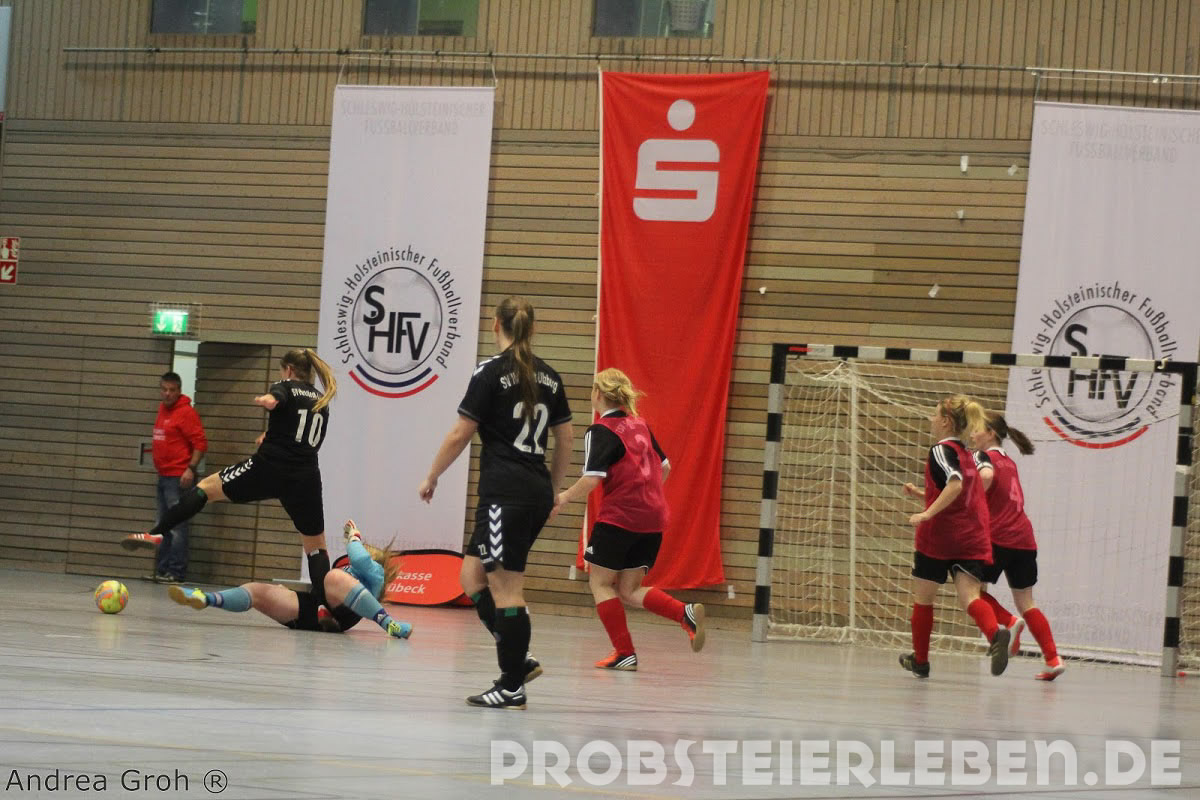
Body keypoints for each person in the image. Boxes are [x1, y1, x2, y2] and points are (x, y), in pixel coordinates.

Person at [418, 297, 573, 710]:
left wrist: (432, 475)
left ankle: (511, 685)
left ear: (495, 325)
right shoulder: (551, 376)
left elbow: (460, 433)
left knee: (506, 588)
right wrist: (553, 488)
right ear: (532, 328)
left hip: (505, 493)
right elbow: (566, 439)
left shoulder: (489, 372)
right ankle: (520, 659)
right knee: (471, 578)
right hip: (532, 490)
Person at [123, 349, 338, 600]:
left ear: (288, 370)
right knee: (315, 547)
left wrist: (268, 399)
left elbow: (278, 398)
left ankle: (157, 532)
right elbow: (299, 432)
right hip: (305, 478)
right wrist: (269, 435)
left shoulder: (285, 385)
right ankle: (325, 605)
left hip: (268, 469)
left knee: (205, 489)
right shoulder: (321, 399)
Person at [554, 368, 705, 671]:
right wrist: (646, 496)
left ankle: (624, 653)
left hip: (620, 518)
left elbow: (592, 478)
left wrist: (563, 497)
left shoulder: (600, 430)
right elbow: (665, 467)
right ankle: (684, 613)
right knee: (629, 590)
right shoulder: (640, 424)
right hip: (654, 518)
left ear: (597, 394)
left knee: (600, 583)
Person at [899, 395, 1010, 679]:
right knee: (971, 597)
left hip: (939, 538)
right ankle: (994, 633)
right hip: (971, 537)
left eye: (935, 415)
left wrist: (926, 514)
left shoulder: (940, 450)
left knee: (924, 599)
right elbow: (961, 494)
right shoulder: (971, 454)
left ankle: (921, 661)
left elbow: (955, 485)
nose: (931, 420)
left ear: (946, 421)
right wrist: (922, 495)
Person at [170, 520, 412, 637]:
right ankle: (207, 598)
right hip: (314, 609)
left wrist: (354, 537)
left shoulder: (375, 575)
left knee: (333, 578)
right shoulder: (347, 574)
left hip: (344, 612)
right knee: (258, 591)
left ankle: (389, 624)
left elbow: (359, 558)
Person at [969, 405, 1064, 681]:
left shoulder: (983, 459)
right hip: (1024, 539)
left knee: (969, 592)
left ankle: (1009, 623)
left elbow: (981, 487)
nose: (972, 434)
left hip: (997, 538)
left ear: (990, 433)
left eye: (976, 429)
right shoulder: (1009, 461)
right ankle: (1053, 659)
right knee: (1027, 602)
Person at [149, 371, 207, 584]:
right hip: (164, 475)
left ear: (179, 391)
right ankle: (162, 569)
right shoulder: (162, 410)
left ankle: (176, 572)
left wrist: (190, 469)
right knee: (162, 524)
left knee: (177, 526)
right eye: (164, 389)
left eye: (172, 390)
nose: (167, 394)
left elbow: (200, 443)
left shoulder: (186, 413)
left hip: (178, 477)